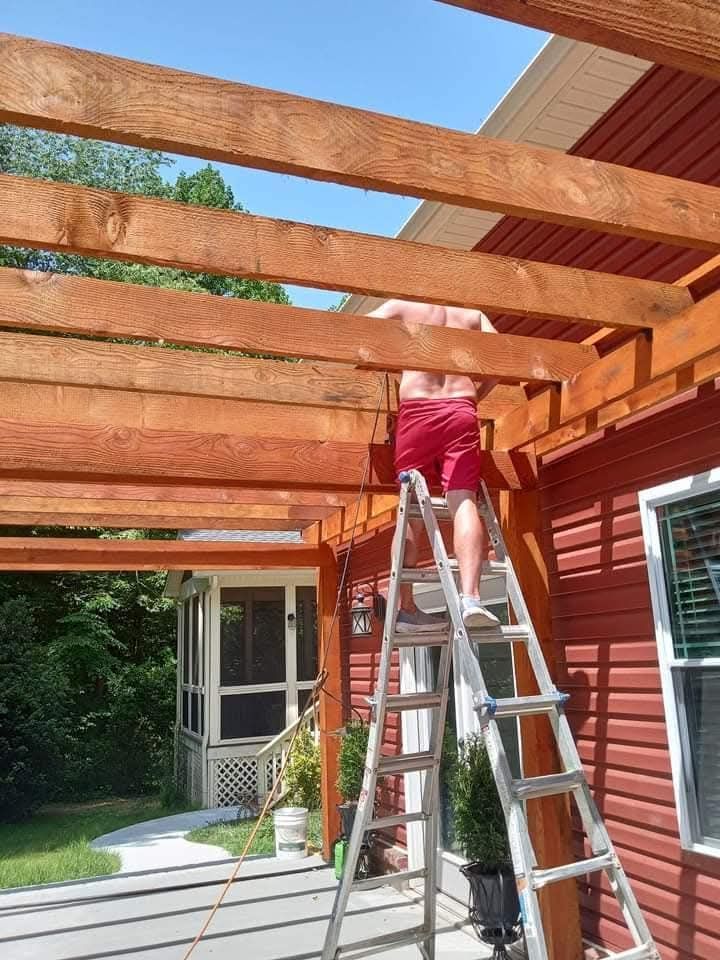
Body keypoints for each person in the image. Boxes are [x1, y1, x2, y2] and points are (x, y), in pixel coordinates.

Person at [369, 299, 500, 632]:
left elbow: (358, 334)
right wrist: (472, 398)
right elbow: (500, 362)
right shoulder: (473, 314)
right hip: (461, 408)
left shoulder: (400, 306)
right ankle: (470, 599)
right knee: (463, 500)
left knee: (411, 507)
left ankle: (407, 608)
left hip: (417, 411)